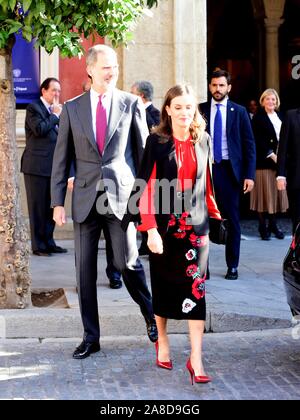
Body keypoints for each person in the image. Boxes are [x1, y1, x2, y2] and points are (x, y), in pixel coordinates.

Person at [51, 44, 157, 359]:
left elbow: (143, 158)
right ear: (91, 70)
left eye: (115, 67)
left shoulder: (131, 104)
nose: (112, 72)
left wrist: (143, 204)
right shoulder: (72, 108)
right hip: (84, 197)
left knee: (127, 263)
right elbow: (61, 158)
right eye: (106, 67)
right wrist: (58, 202)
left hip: (121, 198)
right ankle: (91, 337)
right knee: (83, 272)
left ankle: (150, 314)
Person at [122, 84, 221, 384]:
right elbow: (146, 187)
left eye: (189, 107)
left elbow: (207, 182)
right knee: (163, 288)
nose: (183, 112)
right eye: (177, 107)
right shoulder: (158, 141)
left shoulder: (202, 139)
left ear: (195, 110)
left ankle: (196, 359)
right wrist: (149, 228)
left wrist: (214, 217)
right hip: (164, 227)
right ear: (167, 109)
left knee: (196, 291)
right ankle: (162, 341)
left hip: (195, 228)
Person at [199, 69, 256, 280]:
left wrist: (249, 175)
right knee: (202, 221)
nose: (217, 89)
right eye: (214, 85)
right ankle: (203, 266)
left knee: (232, 221)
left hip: (231, 173)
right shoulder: (200, 110)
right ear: (209, 87)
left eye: (221, 85)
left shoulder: (239, 111)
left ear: (228, 87)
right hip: (206, 172)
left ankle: (232, 265)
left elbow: (249, 145)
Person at [21, 78, 67, 256]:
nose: (57, 94)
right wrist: (55, 116)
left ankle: (49, 242)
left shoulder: (57, 111)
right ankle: (38, 245)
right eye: (53, 90)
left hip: (53, 168)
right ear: (44, 91)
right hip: (36, 167)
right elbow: (39, 129)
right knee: (38, 208)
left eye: (58, 91)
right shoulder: (34, 108)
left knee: (51, 207)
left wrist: (58, 116)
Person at [250, 88, 288, 240]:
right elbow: (256, 140)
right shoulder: (258, 118)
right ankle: (262, 226)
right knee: (263, 195)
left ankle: (273, 224)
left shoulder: (281, 116)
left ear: (276, 101)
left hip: (280, 162)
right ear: (262, 101)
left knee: (275, 195)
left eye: (273, 99)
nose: (270, 102)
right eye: (267, 99)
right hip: (264, 162)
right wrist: (272, 156)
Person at [131, 80, 161, 256]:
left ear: (141, 96)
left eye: (132, 93)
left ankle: (147, 242)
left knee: (148, 205)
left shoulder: (155, 114)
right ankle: (143, 242)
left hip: (150, 170)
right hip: (137, 167)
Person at [277, 107, 300, 234]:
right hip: (297, 177)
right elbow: (283, 147)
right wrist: (280, 175)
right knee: (297, 220)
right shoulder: (291, 115)